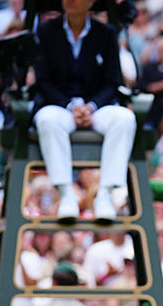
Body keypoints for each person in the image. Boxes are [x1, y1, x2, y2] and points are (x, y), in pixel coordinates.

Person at [32, 0, 137, 221]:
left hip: (96, 108)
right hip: (60, 107)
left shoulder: (106, 33)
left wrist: (90, 106)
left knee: (125, 118)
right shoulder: (46, 31)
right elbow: (43, 81)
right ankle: (66, 193)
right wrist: (70, 106)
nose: (71, 0)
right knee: (47, 119)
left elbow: (112, 82)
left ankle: (105, 194)